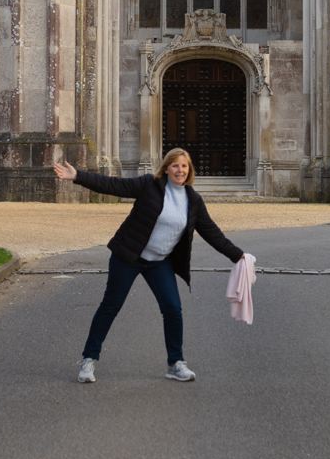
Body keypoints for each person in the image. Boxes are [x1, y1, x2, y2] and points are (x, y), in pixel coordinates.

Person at [52, 148, 249, 384]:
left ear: (190, 170)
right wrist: (78, 176)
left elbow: (212, 233)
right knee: (110, 306)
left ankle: (175, 364)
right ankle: (88, 360)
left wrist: (238, 256)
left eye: (184, 166)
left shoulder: (193, 200)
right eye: (175, 165)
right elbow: (114, 185)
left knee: (173, 309)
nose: (180, 170)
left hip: (159, 262)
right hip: (129, 257)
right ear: (166, 168)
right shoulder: (149, 185)